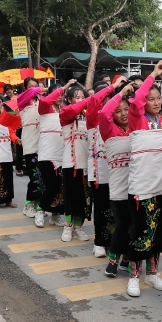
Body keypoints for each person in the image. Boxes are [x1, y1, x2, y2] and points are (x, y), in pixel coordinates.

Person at [124, 60, 162, 297]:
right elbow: (136, 101)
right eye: (151, 98)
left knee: (158, 229)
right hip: (142, 185)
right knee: (140, 229)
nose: (155, 102)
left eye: (158, 98)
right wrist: (153, 76)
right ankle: (134, 275)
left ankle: (153, 272)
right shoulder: (137, 118)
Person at [59, 82, 115, 242]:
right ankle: (67, 226)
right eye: (77, 97)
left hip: (88, 165)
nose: (81, 100)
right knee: (70, 197)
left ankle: (78, 226)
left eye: (83, 97)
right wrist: (91, 99)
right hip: (71, 163)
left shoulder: (89, 115)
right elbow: (73, 110)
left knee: (84, 199)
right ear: (69, 99)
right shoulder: (65, 113)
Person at [99, 81, 137, 277]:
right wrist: (120, 92)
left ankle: (127, 259)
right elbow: (103, 113)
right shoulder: (108, 130)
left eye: (126, 109)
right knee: (122, 224)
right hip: (118, 188)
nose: (123, 113)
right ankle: (113, 259)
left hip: (138, 186)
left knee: (134, 225)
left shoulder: (137, 129)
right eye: (119, 110)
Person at [87, 77, 127, 258]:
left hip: (119, 173)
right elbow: (95, 101)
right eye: (106, 101)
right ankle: (99, 242)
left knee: (116, 209)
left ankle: (113, 241)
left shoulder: (119, 123)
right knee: (102, 208)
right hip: (101, 173)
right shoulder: (94, 118)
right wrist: (113, 87)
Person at [37, 80, 77, 225]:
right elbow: (47, 100)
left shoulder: (65, 110)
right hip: (47, 153)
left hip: (63, 152)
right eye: (57, 92)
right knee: (52, 185)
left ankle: (56, 214)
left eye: (62, 93)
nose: (60, 96)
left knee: (61, 186)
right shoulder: (43, 107)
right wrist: (65, 86)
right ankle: (40, 210)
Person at [18, 79, 46, 224]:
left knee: (43, 177)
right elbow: (29, 94)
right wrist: (40, 89)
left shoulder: (42, 101)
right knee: (35, 176)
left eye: (36, 86)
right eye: (31, 87)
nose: (34, 89)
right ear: (25, 88)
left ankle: (39, 204)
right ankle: (28, 204)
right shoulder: (22, 101)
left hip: (44, 144)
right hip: (30, 144)